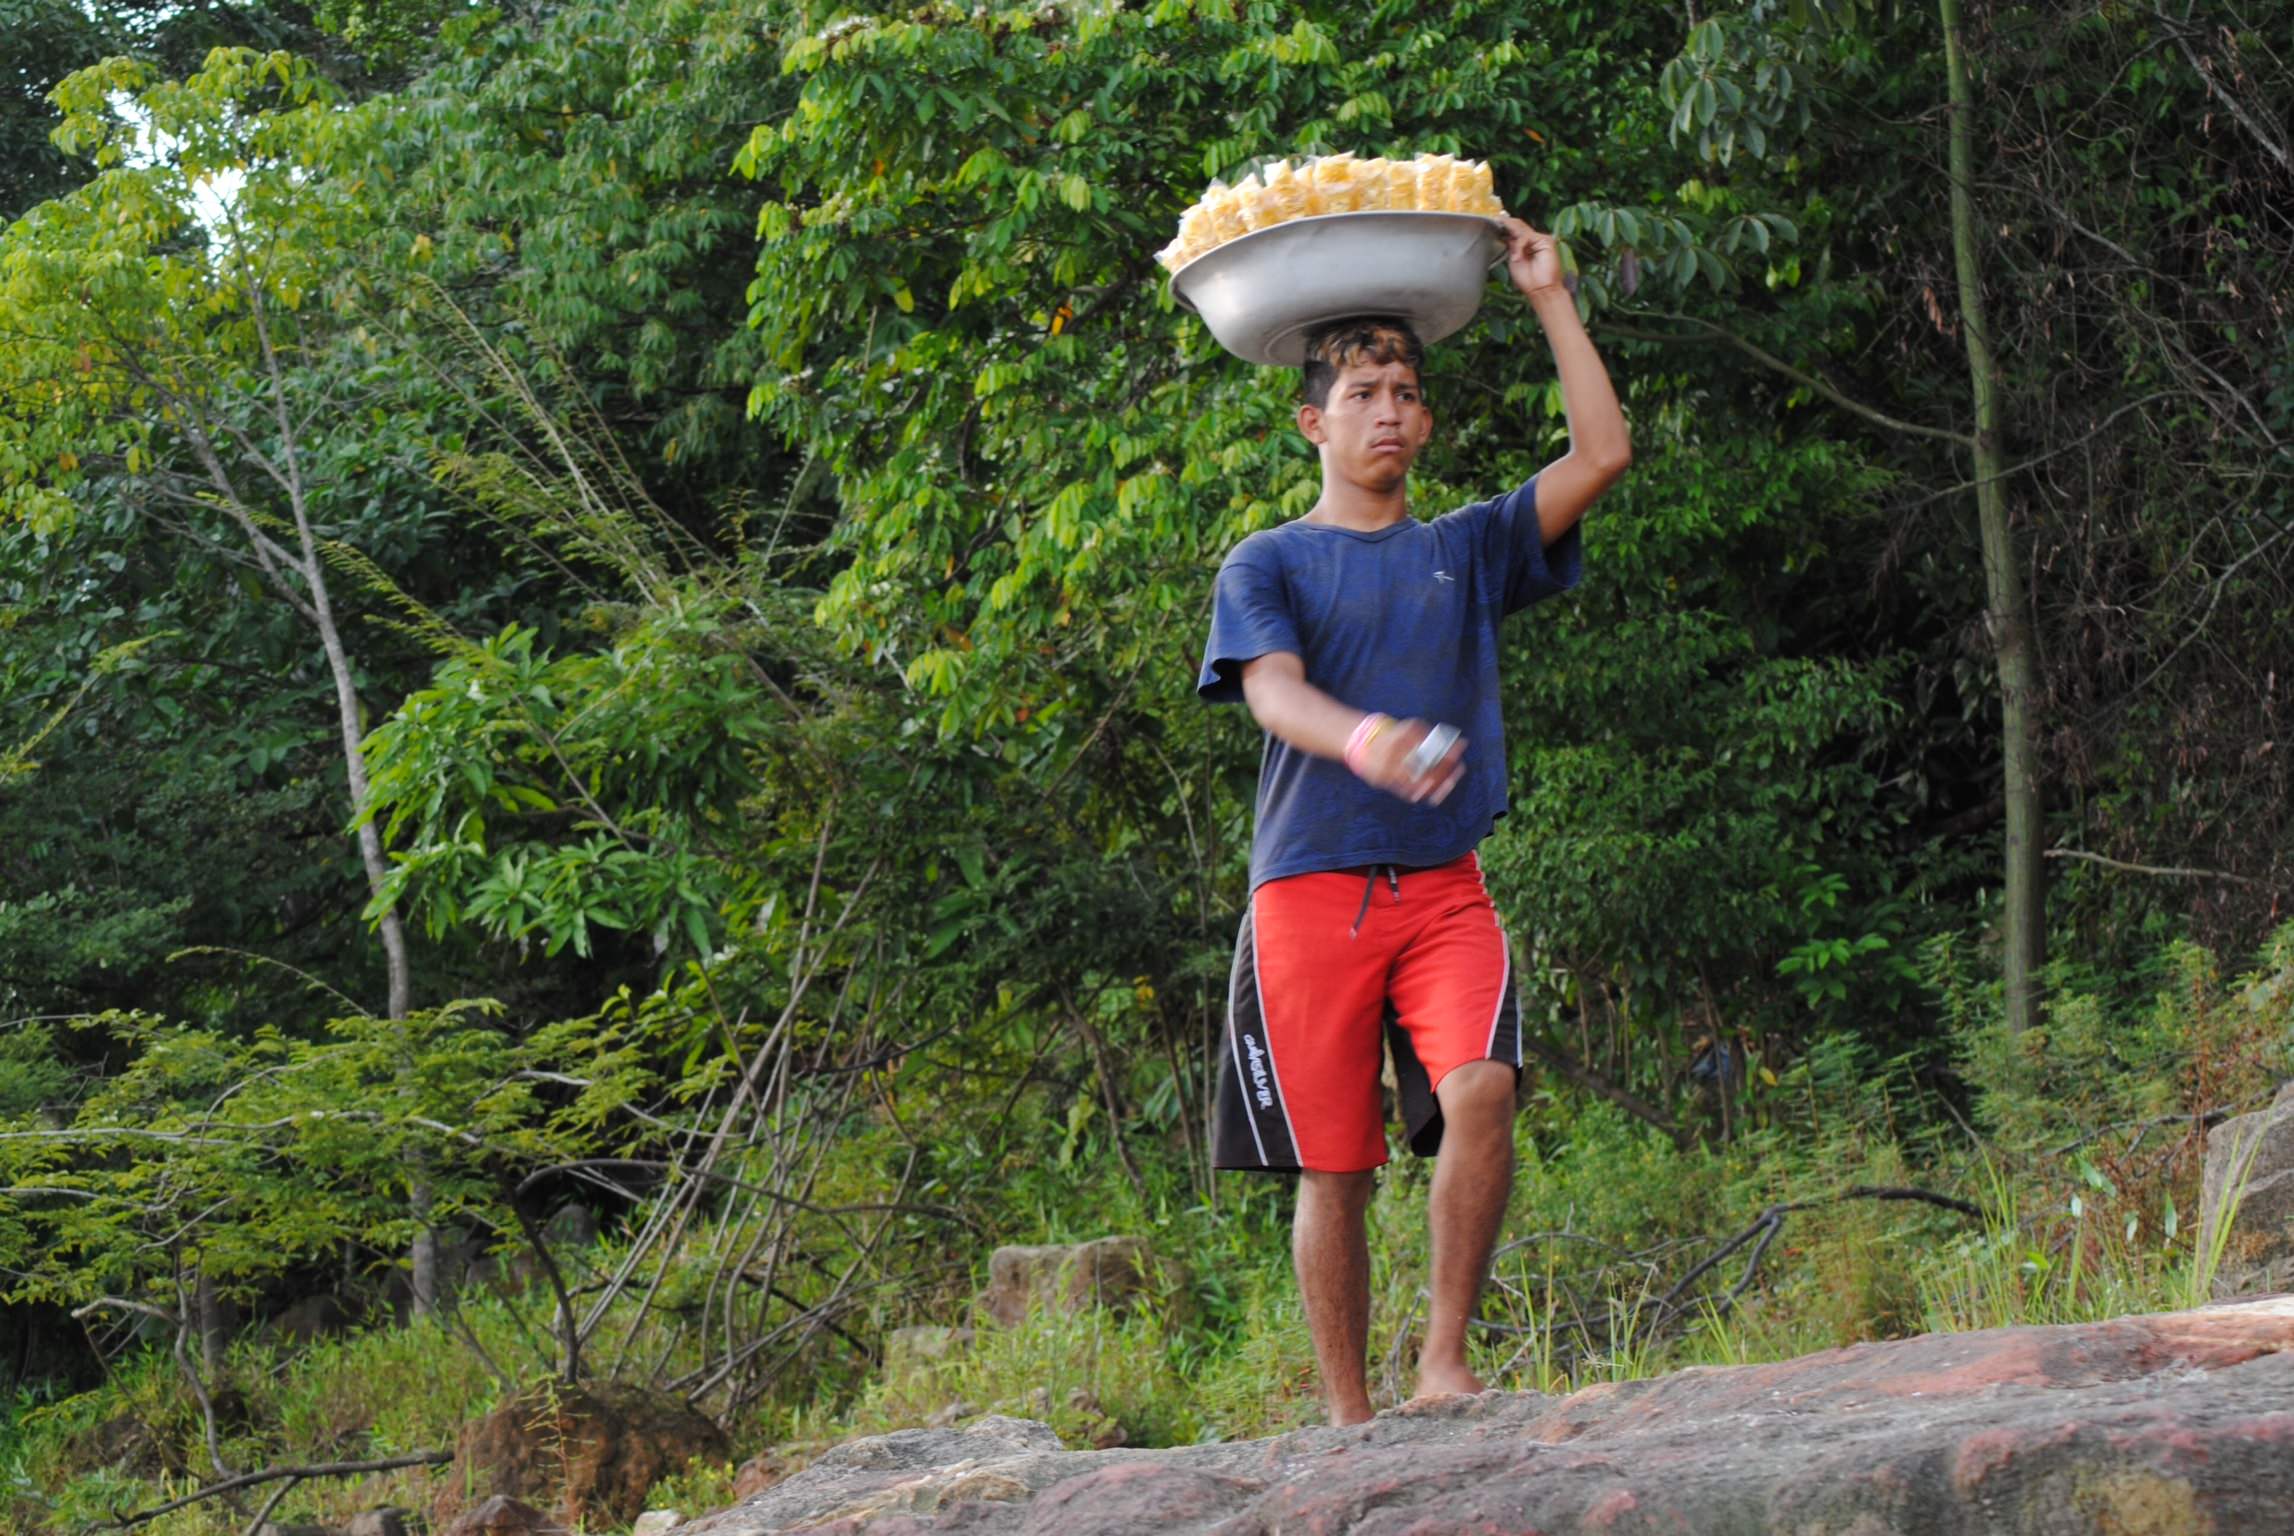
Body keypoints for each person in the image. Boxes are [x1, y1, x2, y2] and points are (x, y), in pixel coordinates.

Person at [1196, 217, 1631, 1426]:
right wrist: (1364, 738)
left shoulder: (1467, 548)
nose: (1387, 409)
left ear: (1423, 419)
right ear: (1312, 424)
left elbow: (1600, 454)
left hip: (1442, 884)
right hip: (1307, 893)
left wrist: (1548, 297)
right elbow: (1271, 692)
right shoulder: (1265, 562)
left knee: (1481, 1087)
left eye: (1404, 390)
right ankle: (1348, 1420)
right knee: (1336, 1171)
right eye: (1360, 392)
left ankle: (1443, 1363)